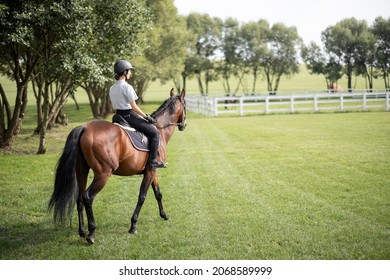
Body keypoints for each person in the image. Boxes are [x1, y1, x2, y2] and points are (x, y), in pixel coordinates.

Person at [109, 59, 167, 170]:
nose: (130, 73)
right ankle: (153, 161)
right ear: (125, 72)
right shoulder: (127, 87)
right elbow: (134, 107)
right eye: (129, 71)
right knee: (155, 133)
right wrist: (146, 116)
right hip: (129, 116)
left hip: (118, 116)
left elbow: (114, 105)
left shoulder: (112, 88)